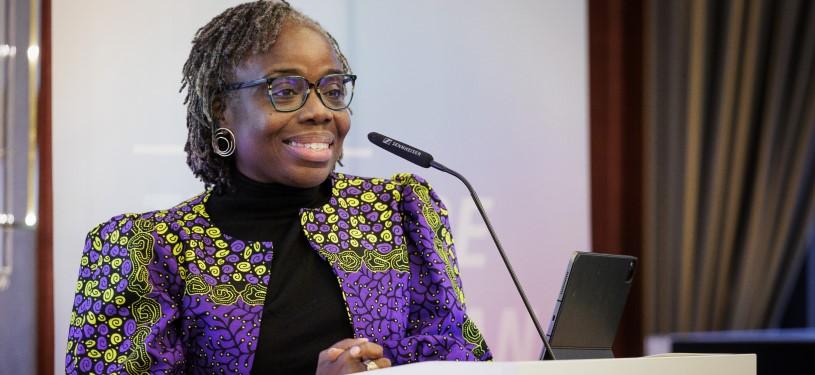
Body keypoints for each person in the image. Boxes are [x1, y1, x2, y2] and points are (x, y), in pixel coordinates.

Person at [65, 1, 491, 374]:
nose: (320, 112)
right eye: (285, 91)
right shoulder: (148, 249)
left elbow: (457, 363)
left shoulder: (398, 212)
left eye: (333, 89)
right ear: (221, 109)